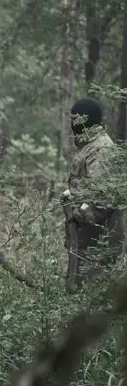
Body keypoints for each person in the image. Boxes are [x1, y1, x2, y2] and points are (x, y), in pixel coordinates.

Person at [64, 97, 124, 288]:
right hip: (88, 234)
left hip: (99, 236)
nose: (72, 124)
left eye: (76, 119)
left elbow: (103, 197)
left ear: (85, 120)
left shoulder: (100, 148)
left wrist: (78, 216)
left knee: (93, 289)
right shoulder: (90, 146)